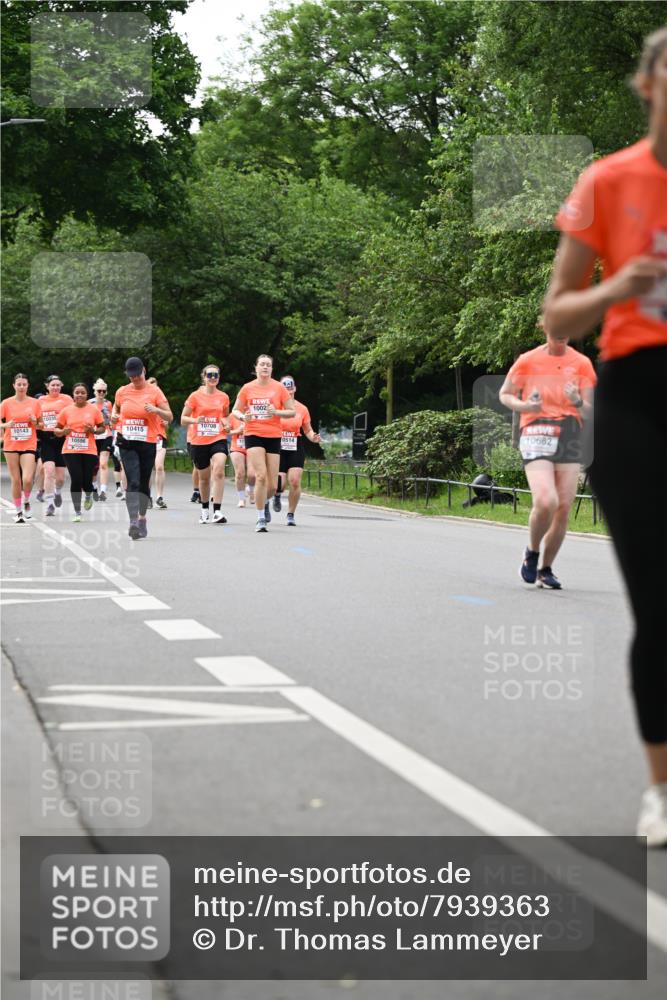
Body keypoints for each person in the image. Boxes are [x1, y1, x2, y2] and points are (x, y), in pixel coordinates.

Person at [542, 26, 667, 845]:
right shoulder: (607, 179)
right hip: (639, 399)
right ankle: (660, 788)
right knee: (659, 609)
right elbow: (556, 311)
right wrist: (616, 286)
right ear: (647, 82)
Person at [499, 320, 596, 588]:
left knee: (563, 507)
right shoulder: (527, 360)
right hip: (536, 430)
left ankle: (546, 569)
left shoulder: (582, 364)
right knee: (546, 500)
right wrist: (525, 405)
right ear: (544, 327)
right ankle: (531, 552)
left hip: (569, 434)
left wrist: (577, 401)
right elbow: (505, 394)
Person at [231, 354, 295, 532]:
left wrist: (276, 412)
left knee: (273, 485)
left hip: (273, 435)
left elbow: (291, 412)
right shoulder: (247, 388)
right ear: (256, 367)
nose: (265, 367)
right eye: (262, 364)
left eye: (268, 365)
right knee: (260, 476)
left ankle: (265, 502)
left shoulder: (279, 388)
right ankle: (260, 518)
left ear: (272, 369)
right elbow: (235, 410)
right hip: (253, 433)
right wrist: (245, 417)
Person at [111, 357, 173, 540]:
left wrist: (156, 410)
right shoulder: (122, 392)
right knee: (133, 481)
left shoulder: (155, 391)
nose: (135, 379)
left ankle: (143, 518)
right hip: (126, 441)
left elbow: (169, 416)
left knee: (144, 482)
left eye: (138, 375)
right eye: (132, 376)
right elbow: (116, 411)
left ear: (144, 371)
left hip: (147, 442)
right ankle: (133, 522)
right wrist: (114, 418)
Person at [181, 365, 230, 524]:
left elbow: (225, 416)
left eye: (216, 375)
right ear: (204, 377)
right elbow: (183, 419)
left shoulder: (223, 397)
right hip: (199, 441)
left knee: (219, 469)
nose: (213, 378)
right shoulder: (195, 396)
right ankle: (204, 509)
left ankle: (217, 511)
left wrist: (226, 424)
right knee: (204, 478)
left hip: (218, 438)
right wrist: (195, 420)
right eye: (210, 375)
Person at [273, 374, 321, 526]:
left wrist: (313, 437)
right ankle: (277, 495)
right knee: (279, 483)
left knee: (294, 481)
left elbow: (307, 430)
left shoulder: (302, 408)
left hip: (295, 445)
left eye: (290, 386)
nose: (288, 389)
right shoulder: (275, 406)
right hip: (277, 445)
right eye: (285, 386)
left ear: (295, 388)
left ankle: (290, 514)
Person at [55, 383, 105, 521]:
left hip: (89, 450)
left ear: (87, 394)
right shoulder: (66, 411)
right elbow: (56, 429)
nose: (80, 395)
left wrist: (93, 430)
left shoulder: (94, 410)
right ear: (73, 394)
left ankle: (88, 495)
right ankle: (77, 512)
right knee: (76, 478)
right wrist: (63, 431)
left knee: (86, 480)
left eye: (82, 392)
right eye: (77, 392)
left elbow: (102, 428)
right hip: (70, 449)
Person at [0, 373, 41, 522]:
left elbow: (41, 425)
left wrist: (35, 421)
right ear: (14, 386)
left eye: (24, 384)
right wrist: (6, 425)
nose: (22, 387)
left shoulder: (35, 403)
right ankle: (18, 511)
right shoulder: (6, 403)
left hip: (29, 444)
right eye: (19, 384)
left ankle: (26, 500)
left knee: (28, 479)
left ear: (27, 385)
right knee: (16, 480)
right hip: (11, 444)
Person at [37, 375, 72, 516]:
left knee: (61, 478)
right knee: (49, 471)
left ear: (61, 386)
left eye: (58, 385)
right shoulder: (40, 401)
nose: (55, 387)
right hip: (46, 438)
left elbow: (73, 415)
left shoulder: (67, 399)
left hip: (62, 438)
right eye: (53, 385)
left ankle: (57, 492)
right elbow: (36, 419)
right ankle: (50, 503)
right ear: (47, 386)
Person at [89, 378, 112, 501]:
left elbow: (112, 420)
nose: (101, 393)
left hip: (106, 435)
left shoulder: (108, 404)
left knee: (103, 463)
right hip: (93, 435)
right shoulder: (89, 403)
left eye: (104, 391)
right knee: (93, 465)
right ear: (94, 391)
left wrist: (112, 419)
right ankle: (94, 486)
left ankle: (103, 491)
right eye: (99, 391)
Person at [147, 376, 168, 509]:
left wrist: (166, 423)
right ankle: (147, 495)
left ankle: (159, 497)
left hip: (160, 437)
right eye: (151, 384)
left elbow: (167, 418)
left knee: (159, 467)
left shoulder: (161, 401)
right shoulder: (144, 401)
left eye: (155, 384)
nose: (154, 386)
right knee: (147, 469)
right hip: (147, 438)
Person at [229, 413, 256, 506]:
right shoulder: (233, 415)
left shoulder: (255, 412)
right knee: (240, 473)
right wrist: (237, 431)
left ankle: (251, 489)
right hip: (237, 447)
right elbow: (225, 432)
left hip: (252, 446)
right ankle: (241, 498)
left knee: (252, 475)